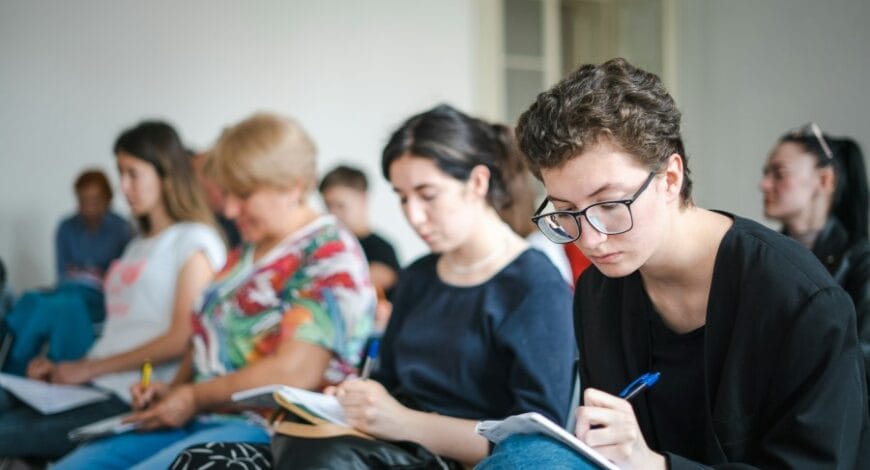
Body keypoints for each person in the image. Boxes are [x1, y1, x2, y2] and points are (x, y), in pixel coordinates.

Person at [479, 58, 869, 469]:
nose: (590, 240)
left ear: (670, 178)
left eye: (610, 205)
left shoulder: (800, 300)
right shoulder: (598, 292)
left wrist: (653, 465)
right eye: (566, 211)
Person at [169, 105, 576, 470]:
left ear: (477, 182)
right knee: (204, 461)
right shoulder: (419, 276)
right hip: (386, 444)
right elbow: (392, 386)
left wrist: (404, 421)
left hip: (447, 457)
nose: (413, 216)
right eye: (402, 197)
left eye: (427, 195)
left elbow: (535, 446)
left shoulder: (533, 285)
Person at [55, 112, 376, 469]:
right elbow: (206, 334)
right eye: (227, 194)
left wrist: (193, 397)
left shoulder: (329, 256)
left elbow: (295, 371)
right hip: (200, 417)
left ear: (293, 186)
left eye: (244, 195)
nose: (229, 208)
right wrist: (173, 392)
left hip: (268, 430)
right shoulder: (247, 250)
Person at [0, 121, 226, 461]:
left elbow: (182, 337)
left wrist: (89, 369)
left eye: (133, 173)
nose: (124, 187)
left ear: (165, 174)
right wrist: (65, 368)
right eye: (120, 173)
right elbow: (120, 331)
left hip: (129, 395)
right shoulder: (136, 246)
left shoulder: (193, 241)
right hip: (90, 387)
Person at [760, 125, 869, 384]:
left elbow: (862, 358)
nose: (763, 184)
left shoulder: (861, 263)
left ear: (824, 181)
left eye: (779, 174)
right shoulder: (761, 256)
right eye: (766, 173)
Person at [1, 169, 134, 374]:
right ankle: (13, 367)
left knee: (64, 306)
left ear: (107, 199)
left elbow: (121, 281)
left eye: (94, 201)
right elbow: (63, 273)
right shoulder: (66, 227)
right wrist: (93, 272)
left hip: (99, 300)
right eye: (83, 200)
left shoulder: (123, 230)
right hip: (69, 289)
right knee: (33, 298)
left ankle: (23, 366)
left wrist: (89, 273)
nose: (88, 207)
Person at [319, 165, 401, 330]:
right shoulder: (324, 245)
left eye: (340, 205)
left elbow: (366, 280)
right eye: (328, 206)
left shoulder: (381, 249)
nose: (333, 214)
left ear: (363, 199)